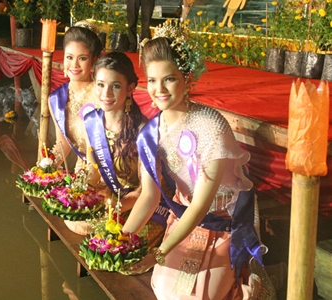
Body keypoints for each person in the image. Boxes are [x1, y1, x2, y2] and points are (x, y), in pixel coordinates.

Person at [122, 25, 276, 299]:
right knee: (166, 290)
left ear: (188, 78)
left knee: (202, 296)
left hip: (225, 222)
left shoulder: (211, 126)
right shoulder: (150, 132)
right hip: (182, 216)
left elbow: (202, 204)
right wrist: (119, 241)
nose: (159, 89)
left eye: (169, 79)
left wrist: (158, 253)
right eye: (152, 80)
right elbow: (149, 195)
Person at [84, 52, 168, 249]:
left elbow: (146, 193)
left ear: (130, 88)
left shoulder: (144, 132)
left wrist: (115, 208)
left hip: (143, 204)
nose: (106, 94)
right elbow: (93, 168)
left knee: (123, 251)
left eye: (115, 86)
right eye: (100, 84)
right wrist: (86, 194)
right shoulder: (91, 122)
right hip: (112, 198)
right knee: (75, 221)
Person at [48, 21, 103, 172]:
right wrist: (45, 170)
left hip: (110, 173)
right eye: (70, 57)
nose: (74, 65)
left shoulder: (103, 94)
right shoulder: (56, 99)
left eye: (82, 58)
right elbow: (63, 144)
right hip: (81, 173)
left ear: (94, 60)